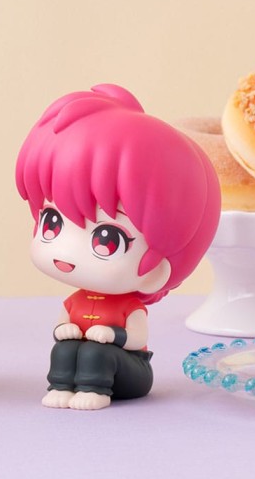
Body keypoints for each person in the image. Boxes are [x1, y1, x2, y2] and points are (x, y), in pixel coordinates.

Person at [15, 84, 220, 410]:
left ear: (158, 270)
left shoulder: (129, 308)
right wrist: (66, 329)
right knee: (64, 349)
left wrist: (113, 336)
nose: (66, 251)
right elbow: (61, 326)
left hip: (128, 371)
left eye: (107, 239)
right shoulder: (75, 301)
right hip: (89, 357)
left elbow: (137, 338)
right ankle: (61, 386)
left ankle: (93, 389)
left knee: (97, 353)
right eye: (52, 221)